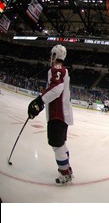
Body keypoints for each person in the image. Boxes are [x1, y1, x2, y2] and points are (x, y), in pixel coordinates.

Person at [27, 44, 74, 185]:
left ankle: (65, 173)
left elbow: (57, 87)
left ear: (55, 55)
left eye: (51, 55)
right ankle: (66, 168)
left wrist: (40, 101)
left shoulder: (57, 68)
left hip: (57, 113)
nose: (50, 57)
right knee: (60, 144)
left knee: (57, 144)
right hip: (60, 113)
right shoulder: (61, 69)